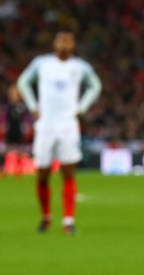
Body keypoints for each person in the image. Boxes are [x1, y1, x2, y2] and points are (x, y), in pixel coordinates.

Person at [16, 31, 102, 234]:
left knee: (68, 172)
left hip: (68, 125)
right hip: (45, 125)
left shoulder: (80, 67)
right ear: (54, 44)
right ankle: (46, 217)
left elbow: (95, 86)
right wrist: (33, 106)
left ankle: (68, 221)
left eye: (68, 40)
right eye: (60, 39)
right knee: (43, 174)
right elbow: (23, 82)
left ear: (73, 45)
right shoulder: (42, 63)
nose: (64, 43)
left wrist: (82, 107)